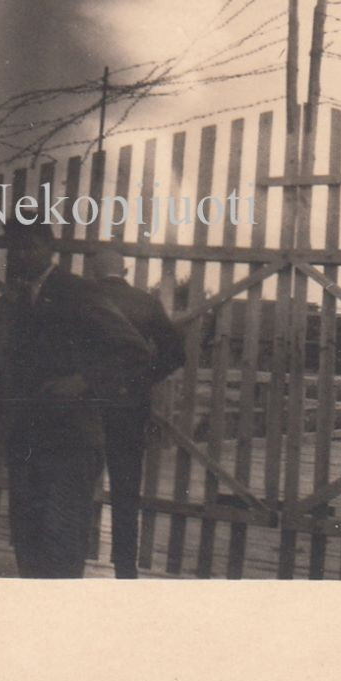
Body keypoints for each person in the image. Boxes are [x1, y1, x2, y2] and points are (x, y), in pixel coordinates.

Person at [0, 222, 151, 578]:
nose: (21, 255)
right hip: (25, 438)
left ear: (49, 248)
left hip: (70, 438)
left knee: (62, 538)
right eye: (15, 248)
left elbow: (133, 350)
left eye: (30, 246)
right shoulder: (17, 300)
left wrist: (83, 381)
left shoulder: (77, 292)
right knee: (28, 538)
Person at [85, 245, 186, 579]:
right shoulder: (145, 302)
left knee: (78, 483)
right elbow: (174, 352)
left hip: (83, 404)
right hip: (129, 404)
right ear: (125, 271)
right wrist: (144, 378)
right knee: (126, 488)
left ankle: (71, 559)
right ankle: (125, 568)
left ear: (94, 270)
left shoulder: (83, 297)